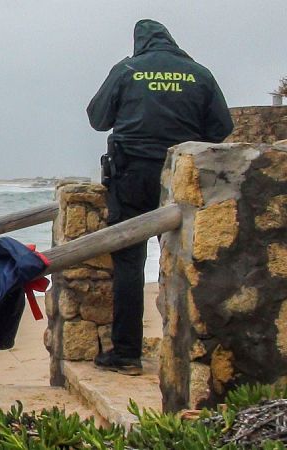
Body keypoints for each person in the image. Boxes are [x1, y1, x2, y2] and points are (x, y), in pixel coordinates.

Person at [87, 19, 233, 375]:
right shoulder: (199, 73)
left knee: (128, 260)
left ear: (139, 42)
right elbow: (221, 129)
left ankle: (126, 354)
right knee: (189, 260)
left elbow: (97, 118)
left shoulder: (128, 69)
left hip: (132, 174)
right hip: (182, 175)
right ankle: (189, 353)